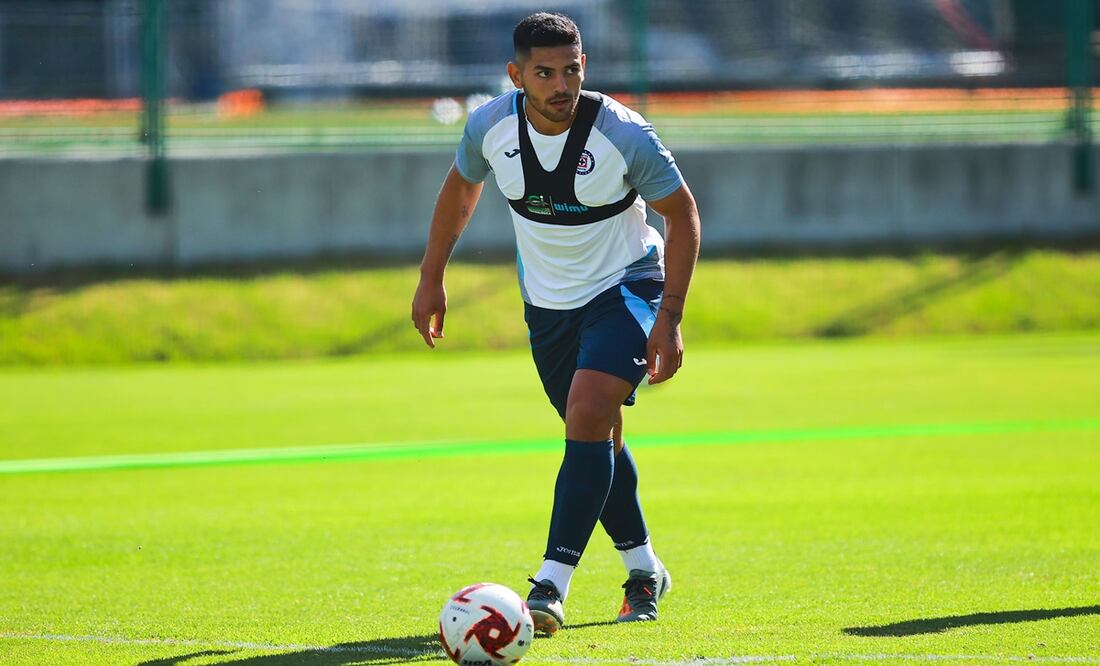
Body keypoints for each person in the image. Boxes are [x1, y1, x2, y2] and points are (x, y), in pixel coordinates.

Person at [411, 11, 700, 634]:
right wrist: (432, 276)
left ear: (584, 67)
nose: (560, 84)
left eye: (571, 70)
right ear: (517, 76)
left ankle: (549, 585)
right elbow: (460, 191)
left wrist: (669, 317)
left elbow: (684, 215)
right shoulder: (490, 125)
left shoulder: (624, 133)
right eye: (544, 73)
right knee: (596, 439)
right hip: (548, 308)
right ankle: (645, 570)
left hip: (628, 285)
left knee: (589, 411)